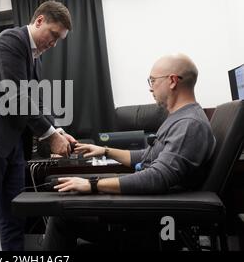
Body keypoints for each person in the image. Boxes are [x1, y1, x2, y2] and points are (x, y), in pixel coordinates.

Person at [42, 53, 216, 250]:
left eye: (152, 80)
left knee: (62, 216)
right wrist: (104, 150)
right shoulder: (178, 118)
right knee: (65, 197)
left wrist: (92, 185)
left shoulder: (189, 124)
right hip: (149, 204)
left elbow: (158, 177)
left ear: (173, 81)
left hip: (152, 216)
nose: (150, 87)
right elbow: (147, 157)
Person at [0, 0, 77, 251]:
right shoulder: (10, 41)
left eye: (58, 40)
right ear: (39, 20)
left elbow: (35, 101)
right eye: (53, 35)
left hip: (12, 142)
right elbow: (16, 97)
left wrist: (57, 129)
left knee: (15, 214)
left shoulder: (35, 58)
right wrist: (50, 136)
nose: (53, 43)